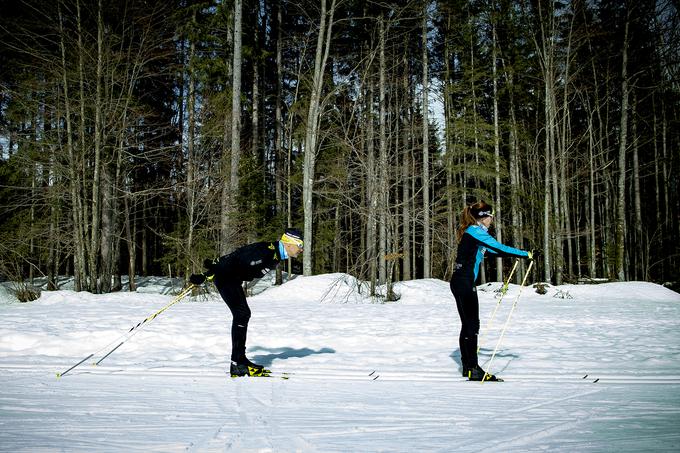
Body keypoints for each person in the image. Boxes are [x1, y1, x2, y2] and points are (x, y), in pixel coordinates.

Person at [189, 228, 304, 377]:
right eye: (300, 245)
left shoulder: (273, 252)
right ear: (288, 243)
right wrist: (211, 271)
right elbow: (239, 259)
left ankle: (238, 361)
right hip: (226, 277)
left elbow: (241, 254)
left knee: (242, 314)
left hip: (230, 277)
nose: (301, 250)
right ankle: (238, 363)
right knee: (242, 314)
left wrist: (215, 265)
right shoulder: (268, 252)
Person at [450, 201, 532, 381]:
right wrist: (526, 254)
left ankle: (468, 367)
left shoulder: (472, 232)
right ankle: (473, 369)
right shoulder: (476, 231)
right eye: (490, 217)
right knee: (472, 325)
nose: (491, 220)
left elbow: (492, 252)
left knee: (468, 325)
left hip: (460, 281)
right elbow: (499, 247)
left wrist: (518, 255)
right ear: (484, 217)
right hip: (464, 282)